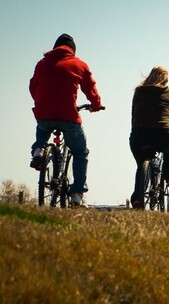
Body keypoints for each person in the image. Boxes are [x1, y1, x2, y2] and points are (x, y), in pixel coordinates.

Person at [29, 33, 103, 207]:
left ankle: (39, 150)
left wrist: (41, 102)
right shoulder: (79, 64)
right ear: (73, 51)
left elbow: (33, 86)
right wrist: (96, 105)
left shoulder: (42, 63)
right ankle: (77, 194)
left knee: (42, 127)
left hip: (44, 114)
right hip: (68, 117)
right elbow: (91, 88)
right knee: (80, 152)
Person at [130, 66, 169, 209]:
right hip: (163, 135)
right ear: (165, 80)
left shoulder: (138, 92)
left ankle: (138, 199)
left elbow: (134, 114)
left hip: (139, 136)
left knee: (141, 165)